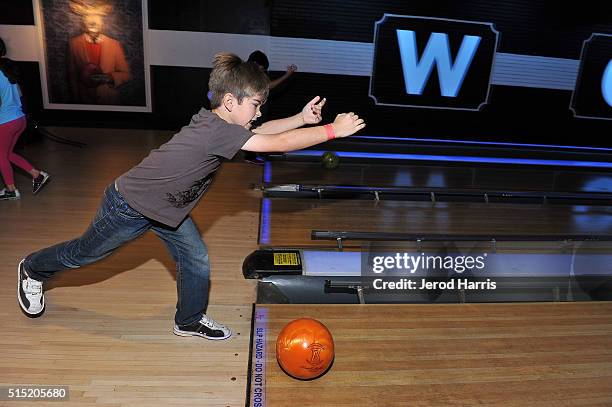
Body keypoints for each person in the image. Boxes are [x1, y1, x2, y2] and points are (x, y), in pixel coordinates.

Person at [18, 53, 365, 340]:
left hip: (168, 210)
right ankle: (32, 268)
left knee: (196, 257)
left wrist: (302, 118)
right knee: (84, 254)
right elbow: (274, 144)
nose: (259, 112)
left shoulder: (222, 124)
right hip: (129, 206)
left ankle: (188, 320)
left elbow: (260, 132)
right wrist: (333, 130)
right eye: (257, 105)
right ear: (231, 101)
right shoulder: (215, 131)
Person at [0, 37, 50, 201]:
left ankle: (11, 190)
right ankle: (37, 175)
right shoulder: (8, 69)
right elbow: (20, 95)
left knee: (1, 155)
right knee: (7, 154)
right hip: (19, 119)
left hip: (6, 121)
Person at [67, 0, 130, 105]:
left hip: (108, 100)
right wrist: (76, 100)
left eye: (96, 18)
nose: (92, 22)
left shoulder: (114, 44)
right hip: (83, 100)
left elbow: (126, 74)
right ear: (83, 21)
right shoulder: (73, 44)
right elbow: (71, 75)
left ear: (102, 22)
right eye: (89, 18)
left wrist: (108, 77)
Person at [244, 50, 298, 164]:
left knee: (262, 129)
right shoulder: (247, 74)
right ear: (254, 64)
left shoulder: (258, 73)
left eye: (264, 69)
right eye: (261, 68)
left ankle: (257, 153)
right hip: (251, 107)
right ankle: (250, 156)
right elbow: (268, 86)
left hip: (260, 106)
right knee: (255, 129)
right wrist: (287, 75)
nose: (262, 70)